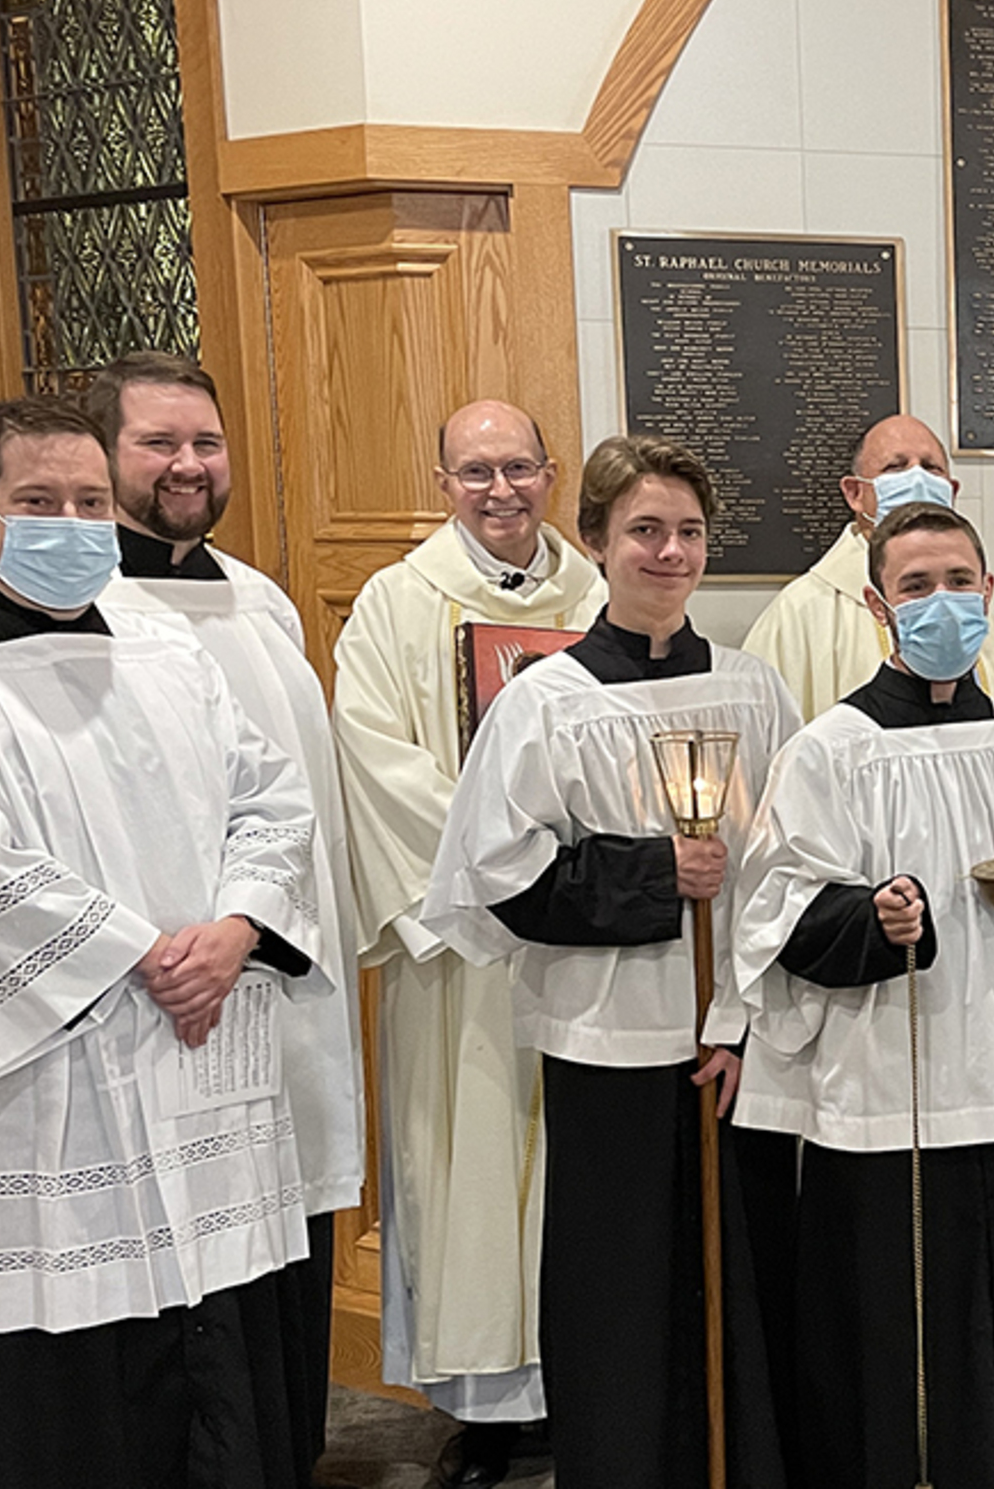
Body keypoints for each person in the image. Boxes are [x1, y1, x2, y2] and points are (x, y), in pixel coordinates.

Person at [0, 394, 323, 1488]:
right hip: (8, 1107)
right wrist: (140, 954)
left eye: (91, 502)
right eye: (38, 502)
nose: (72, 524)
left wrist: (237, 928)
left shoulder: (168, 655)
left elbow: (273, 800)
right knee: (36, 1415)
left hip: (184, 1064)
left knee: (196, 1374)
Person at [423, 435, 803, 1489]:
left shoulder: (754, 692)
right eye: (644, 530)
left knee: (743, 1284)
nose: (669, 552)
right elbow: (498, 877)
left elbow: (793, 866)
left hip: (736, 1044)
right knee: (620, 1292)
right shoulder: (547, 702)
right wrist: (651, 873)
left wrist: (746, 1018)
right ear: (594, 540)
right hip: (605, 1042)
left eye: (688, 531)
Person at [732, 501, 994, 1488]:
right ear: (877, 605)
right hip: (883, 1082)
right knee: (889, 1324)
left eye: (957, 582)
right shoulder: (830, 749)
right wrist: (870, 918)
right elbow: (771, 911)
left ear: (987, 591)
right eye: (915, 586)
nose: (941, 602)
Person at [90, 352, 365, 1487]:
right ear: (105, 455)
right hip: (170, 985)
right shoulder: (87, 615)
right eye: (158, 443)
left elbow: (302, 796)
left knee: (288, 1236)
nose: (188, 464)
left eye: (205, 442)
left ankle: (289, 1451)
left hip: (286, 966)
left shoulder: (262, 600)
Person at [332, 400, 604, 1486]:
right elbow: (373, 759)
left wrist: (582, 877)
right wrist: (501, 869)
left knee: (584, 1174)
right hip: (462, 950)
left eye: (520, 468)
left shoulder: (597, 595)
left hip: (585, 937)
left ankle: (595, 1387)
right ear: (442, 481)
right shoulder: (397, 604)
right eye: (476, 471)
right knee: (469, 1168)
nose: (501, 490)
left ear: (550, 473)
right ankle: (491, 1413)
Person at [742, 412, 994, 723]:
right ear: (855, 493)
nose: (917, 478)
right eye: (896, 467)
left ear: (952, 490)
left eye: (931, 468)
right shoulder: (799, 613)